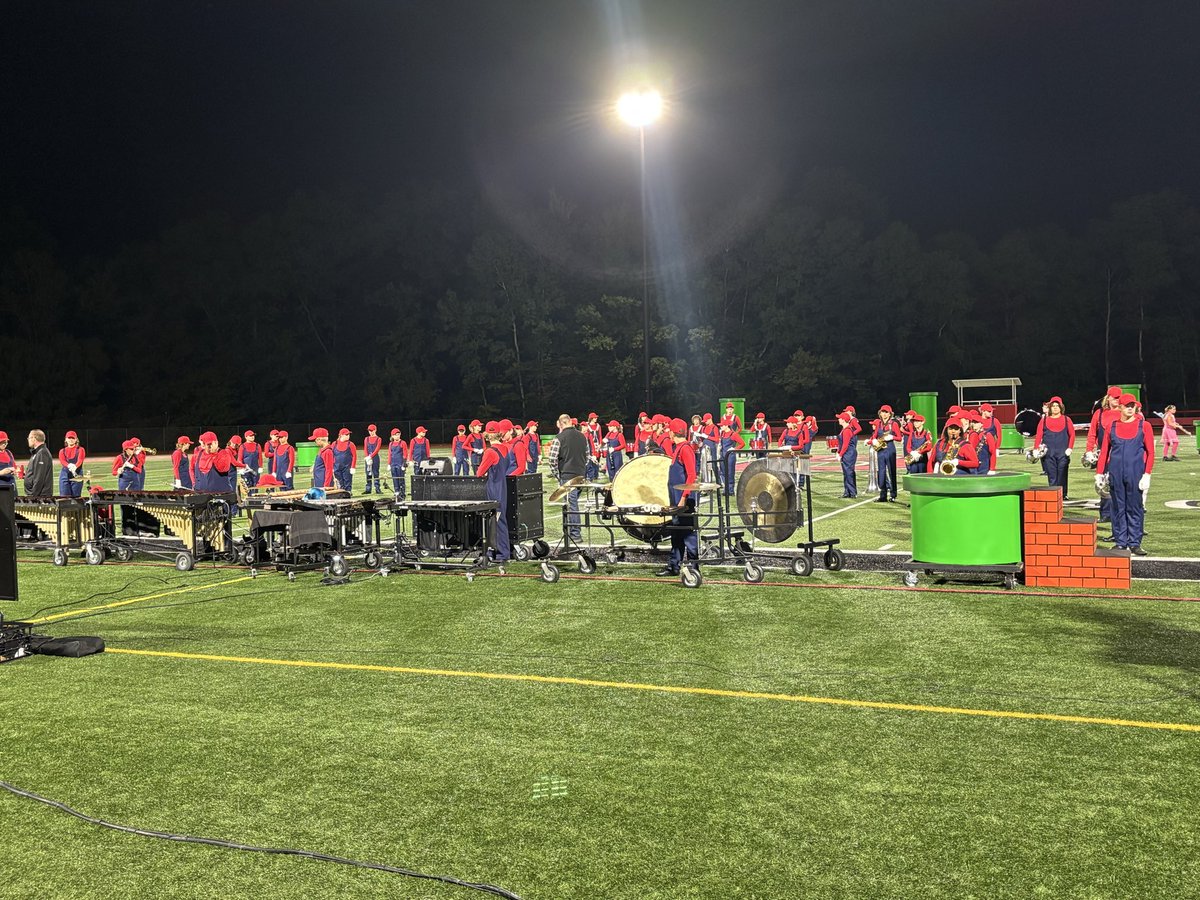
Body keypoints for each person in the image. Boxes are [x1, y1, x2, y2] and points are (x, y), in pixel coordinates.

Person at [1096, 393, 1155, 556]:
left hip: (1135, 474)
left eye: (1132, 405)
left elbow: (1151, 453)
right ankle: (1121, 542)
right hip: (1115, 474)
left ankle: (1135, 543)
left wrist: (1147, 474)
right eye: (1127, 405)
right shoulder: (1112, 426)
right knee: (1118, 508)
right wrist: (1099, 474)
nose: (1130, 408)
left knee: (1135, 508)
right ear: (1120, 407)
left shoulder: (1145, 426)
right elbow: (1104, 453)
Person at [656, 418, 698, 577]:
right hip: (677, 499)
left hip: (684, 501)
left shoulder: (685, 449)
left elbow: (692, 475)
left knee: (688, 535)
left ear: (673, 433)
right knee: (676, 533)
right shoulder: (678, 448)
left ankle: (694, 568)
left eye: (670, 432)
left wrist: (683, 498)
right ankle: (674, 566)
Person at [474, 423, 513, 561]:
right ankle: (496, 551)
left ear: (488, 435)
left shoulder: (490, 452)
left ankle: (503, 553)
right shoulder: (505, 448)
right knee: (498, 521)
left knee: (497, 521)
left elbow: (479, 473)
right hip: (502, 488)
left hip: (494, 489)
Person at [548, 413, 588, 542]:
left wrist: (557, 475)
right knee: (573, 503)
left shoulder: (559, 438)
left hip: (567, 475)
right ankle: (572, 532)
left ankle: (575, 534)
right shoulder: (583, 437)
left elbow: (552, 459)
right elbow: (586, 456)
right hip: (581, 474)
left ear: (560, 424)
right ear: (570, 421)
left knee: (571, 505)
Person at [1086, 387, 1123, 523]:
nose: (1117, 401)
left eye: (1119, 398)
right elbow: (1092, 433)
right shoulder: (1099, 413)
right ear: (1108, 398)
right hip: (1103, 455)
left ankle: (1119, 514)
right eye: (1114, 398)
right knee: (1103, 484)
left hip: (1120, 455)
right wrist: (1089, 450)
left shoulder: (1123, 413)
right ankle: (1106, 513)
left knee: (1120, 486)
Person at [1035, 396, 1075, 496]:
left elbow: (1072, 434)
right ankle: (1053, 495)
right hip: (1049, 454)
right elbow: (1039, 435)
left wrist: (1070, 448)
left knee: (1062, 474)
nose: (1055, 408)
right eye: (1053, 406)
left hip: (1063, 453)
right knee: (1052, 475)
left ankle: (1063, 494)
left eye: (1057, 406)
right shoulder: (1043, 420)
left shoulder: (1067, 420)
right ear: (1050, 408)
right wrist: (1036, 448)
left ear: (1061, 407)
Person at [871, 405, 902, 502]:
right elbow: (874, 436)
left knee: (892, 472)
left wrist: (892, 437)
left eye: (886, 412)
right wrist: (872, 441)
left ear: (890, 414)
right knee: (881, 473)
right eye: (882, 412)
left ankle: (893, 495)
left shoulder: (893, 424)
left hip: (890, 450)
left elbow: (899, 438)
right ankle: (883, 495)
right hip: (880, 450)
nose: (884, 414)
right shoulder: (879, 424)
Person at [834, 410, 858, 498]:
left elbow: (845, 444)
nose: (838, 420)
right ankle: (847, 492)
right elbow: (842, 444)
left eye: (840, 418)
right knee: (846, 472)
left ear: (843, 420)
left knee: (849, 472)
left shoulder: (847, 430)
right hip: (847, 453)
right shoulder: (844, 429)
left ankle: (852, 492)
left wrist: (840, 454)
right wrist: (838, 452)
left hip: (849, 453)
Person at [717, 422, 745, 496]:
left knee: (730, 473)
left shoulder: (733, 434)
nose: (721, 427)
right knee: (722, 472)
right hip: (722, 455)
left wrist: (734, 449)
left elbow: (742, 443)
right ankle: (726, 489)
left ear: (727, 425)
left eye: (722, 426)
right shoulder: (722, 433)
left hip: (730, 456)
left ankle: (731, 490)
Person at [24, 430, 54, 497]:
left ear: (34, 439)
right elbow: (36, 473)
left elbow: (39, 478)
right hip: (37, 495)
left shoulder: (42, 453)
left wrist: (33, 496)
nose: (28, 440)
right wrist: (27, 475)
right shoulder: (37, 452)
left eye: (29, 438)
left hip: (40, 496)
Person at [58, 430, 87, 498]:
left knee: (76, 497)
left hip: (77, 474)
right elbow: (62, 461)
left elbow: (80, 460)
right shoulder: (62, 451)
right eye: (69, 438)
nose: (71, 440)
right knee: (64, 497)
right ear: (66, 439)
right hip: (65, 475)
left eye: (73, 438)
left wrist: (75, 466)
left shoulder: (80, 449)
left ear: (76, 439)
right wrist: (69, 465)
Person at [330, 428, 357, 492]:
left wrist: (353, 467)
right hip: (337, 467)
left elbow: (354, 456)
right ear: (341, 435)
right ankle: (341, 493)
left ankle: (348, 493)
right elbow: (331, 455)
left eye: (348, 434)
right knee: (339, 482)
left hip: (347, 467)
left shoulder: (351, 444)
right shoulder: (334, 444)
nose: (348, 436)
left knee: (347, 481)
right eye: (346, 434)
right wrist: (331, 467)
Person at [388, 428, 408, 500]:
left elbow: (405, 454)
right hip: (393, 464)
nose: (397, 436)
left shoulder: (403, 443)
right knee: (394, 479)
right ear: (392, 436)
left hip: (400, 464)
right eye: (395, 435)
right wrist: (389, 464)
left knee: (401, 479)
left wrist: (404, 464)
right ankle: (396, 492)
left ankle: (402, 493)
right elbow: (390, 454)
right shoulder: (391, 444)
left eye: (398, 435)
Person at [363, 424, 383, 494]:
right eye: (369, 431)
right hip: (368, 458)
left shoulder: (379, 439)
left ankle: (377, 488)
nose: (371, 432)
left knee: (376, 473)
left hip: (375, 458)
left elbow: (377, 449)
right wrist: (367, 457)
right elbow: (365, 448)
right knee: (368, 473)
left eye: (372, 430)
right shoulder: (366, 439)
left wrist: (371, 457)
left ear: (375, 430)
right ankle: (368, 489)